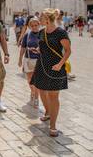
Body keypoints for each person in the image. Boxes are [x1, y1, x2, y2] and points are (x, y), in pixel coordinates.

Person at [30, 8, 71, 137]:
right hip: (42, 66)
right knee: (41, 90)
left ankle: (53, 126)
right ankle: (48, 112)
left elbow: (68, 51)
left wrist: (60, 64)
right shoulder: (42, 32)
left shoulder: (61, 33)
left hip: (55, 68)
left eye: (41, 18)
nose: (39, 20)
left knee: (53, 96)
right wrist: (37, 50)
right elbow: (43, 47)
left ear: (47, 19)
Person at [18, 17, 40, 107]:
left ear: (39, 25)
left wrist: (38, 50)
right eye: (32, 25)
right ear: (30, 26)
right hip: (28, 59)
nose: (34, 27)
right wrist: (20, 59)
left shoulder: (43, 34)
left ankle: (36, 98)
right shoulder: (27, 35)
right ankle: (32, 91)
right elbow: (23, 47)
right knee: (30, 80)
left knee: (37, 81)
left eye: (36, 25)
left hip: (39, 60)